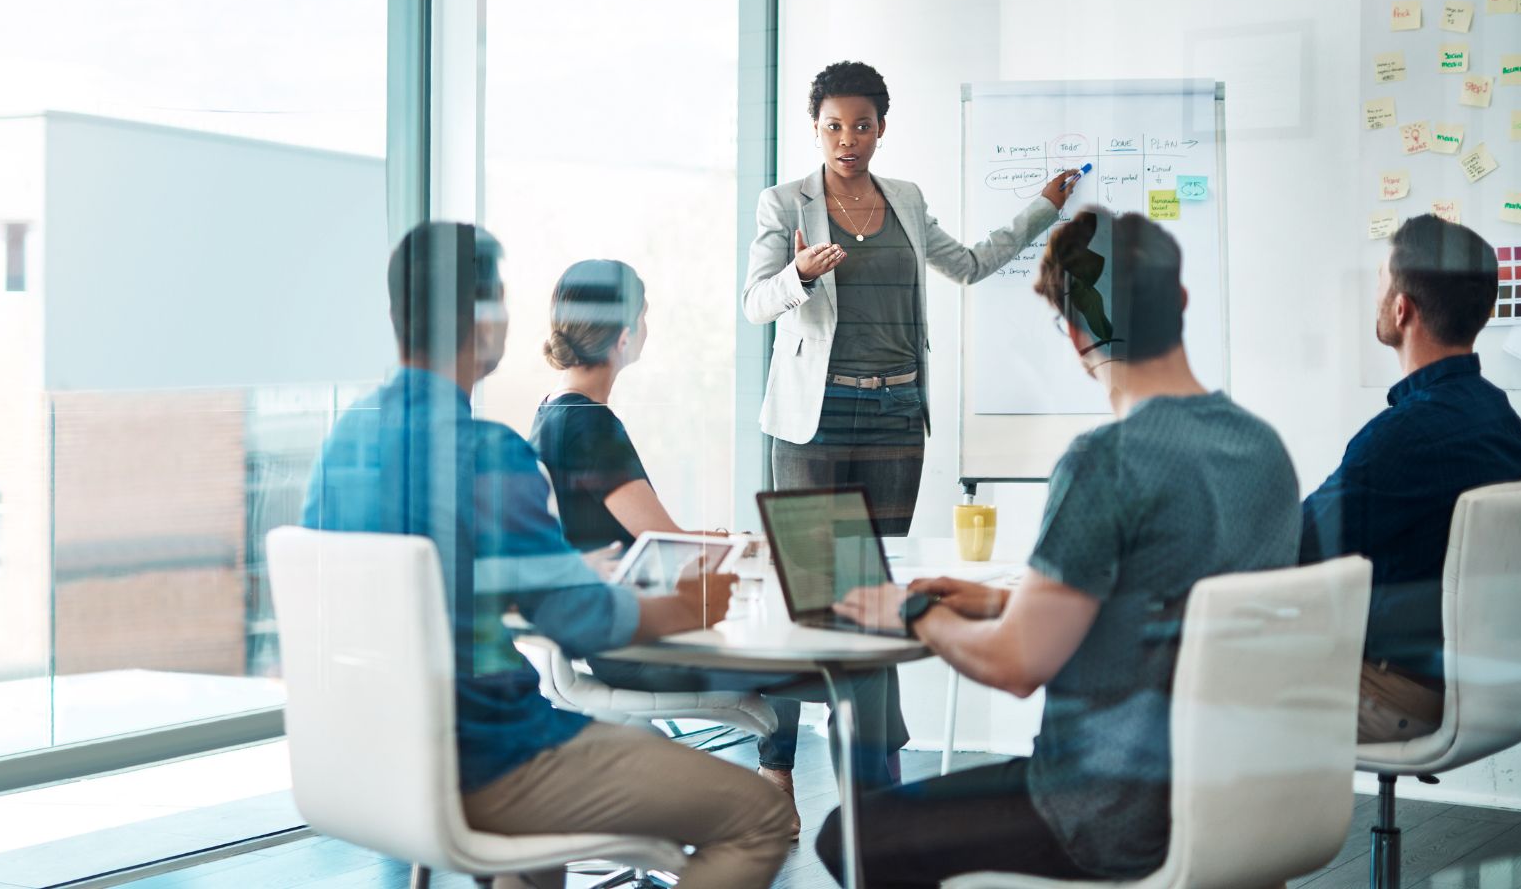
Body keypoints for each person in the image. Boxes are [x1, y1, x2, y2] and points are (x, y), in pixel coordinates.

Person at [301, 223, 792, 889]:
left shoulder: (343, 444)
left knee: (542, 859)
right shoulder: (484, 453)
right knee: (759, 815)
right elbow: (581, 623)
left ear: (396, 317)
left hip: (367, 762)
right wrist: (684, 605)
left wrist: (537, 579)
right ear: (487, 323)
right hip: (489, 760)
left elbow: (396, 594)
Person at [822, 210, 1301, 885]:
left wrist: (909, 614)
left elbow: (1019, 665)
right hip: (1243, 797)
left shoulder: (1107, 460)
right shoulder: (1263, 447)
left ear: (1075, 334)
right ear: (1182, 302)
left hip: (1105, 810)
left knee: (851, 836)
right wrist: (1002, 600)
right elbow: (1171, 601)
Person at [529, 258, 911, 831]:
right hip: (645, 650)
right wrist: (749, 548)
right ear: (627, 333)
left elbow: (638, 540)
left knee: (834, 651)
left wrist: (719, 541)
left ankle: (834, 808)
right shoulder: (591, 425)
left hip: (615, 635)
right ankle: (881, 830)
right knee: (862, 665)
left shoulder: (551, 416)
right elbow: (668, 546)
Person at [742, 60, 1083, 537]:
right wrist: (798, 274)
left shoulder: (906, 198)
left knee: (886, 570)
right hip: (816, 407)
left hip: (896, 408)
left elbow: (969, 264)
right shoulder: (783, 202)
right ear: (815, 129)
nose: (847, 140)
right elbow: (755, 303)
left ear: (881, 128)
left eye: (862, 126)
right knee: (814, 571)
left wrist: (1043, 210)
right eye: (833, 127)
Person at [1301, 214, 1521, 743]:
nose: (1377, 296)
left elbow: (1289, 552)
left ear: (1402, 309)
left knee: (1182, 678)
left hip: (1394, 691)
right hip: (1478, 684)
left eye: (1381, 283)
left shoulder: (1399, 439)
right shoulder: (1500, 420)